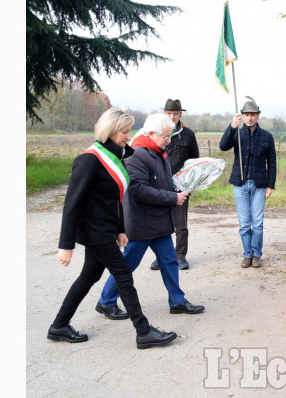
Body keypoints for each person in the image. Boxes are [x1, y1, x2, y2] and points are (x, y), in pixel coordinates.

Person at [47, 109, 177, 350]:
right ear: (109, 130)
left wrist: (120, 229)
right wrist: (66, 246)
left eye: (130, 131)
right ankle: (144, 331)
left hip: (106, 230)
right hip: (95, 232)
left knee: (89, 277)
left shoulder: (114, 156)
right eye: (125, 131)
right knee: (124, 275)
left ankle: (59, 325)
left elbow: (115, 198)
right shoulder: (89, 160)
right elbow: (72, 204)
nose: (129, 136)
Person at [96, 113, 206, 317]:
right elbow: (138, 190)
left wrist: (179, 187)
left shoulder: (158, 152)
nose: (168, 140)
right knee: (128, 264)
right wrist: (173, 199)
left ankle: (177, 301)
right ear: (152, 133)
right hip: (142, 224)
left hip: (160, 223)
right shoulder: (137, 154)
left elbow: (161, 182)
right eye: (165, 136)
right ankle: (106, 301)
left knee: (170, 260)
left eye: (169, 136)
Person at [219, 97, 276, 269]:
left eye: (252, 114)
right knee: (244, 223)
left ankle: (257, 254)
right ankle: (247, 254)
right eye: (246, 114)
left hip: (259, 184)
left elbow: (271, 162)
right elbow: (223, 146)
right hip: (240, 183)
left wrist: (270, 184)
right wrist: (231, 127)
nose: (249, 117)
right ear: (242, 116)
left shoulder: (267, 136)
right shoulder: (236, 133)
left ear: (257, 116)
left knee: (257, 222)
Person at [149, 98, 199, 271]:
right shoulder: (155, 132)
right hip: (159, 186)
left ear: (180, 115)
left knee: (180, 223)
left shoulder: (188, 134)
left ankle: (180, 256)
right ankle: (161, 257)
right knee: (160, 223)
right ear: (164, 114)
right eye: (169, 113)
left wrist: (191, 185)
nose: (172, 116)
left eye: (175, 114)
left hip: (181, 186)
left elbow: (194, 162)